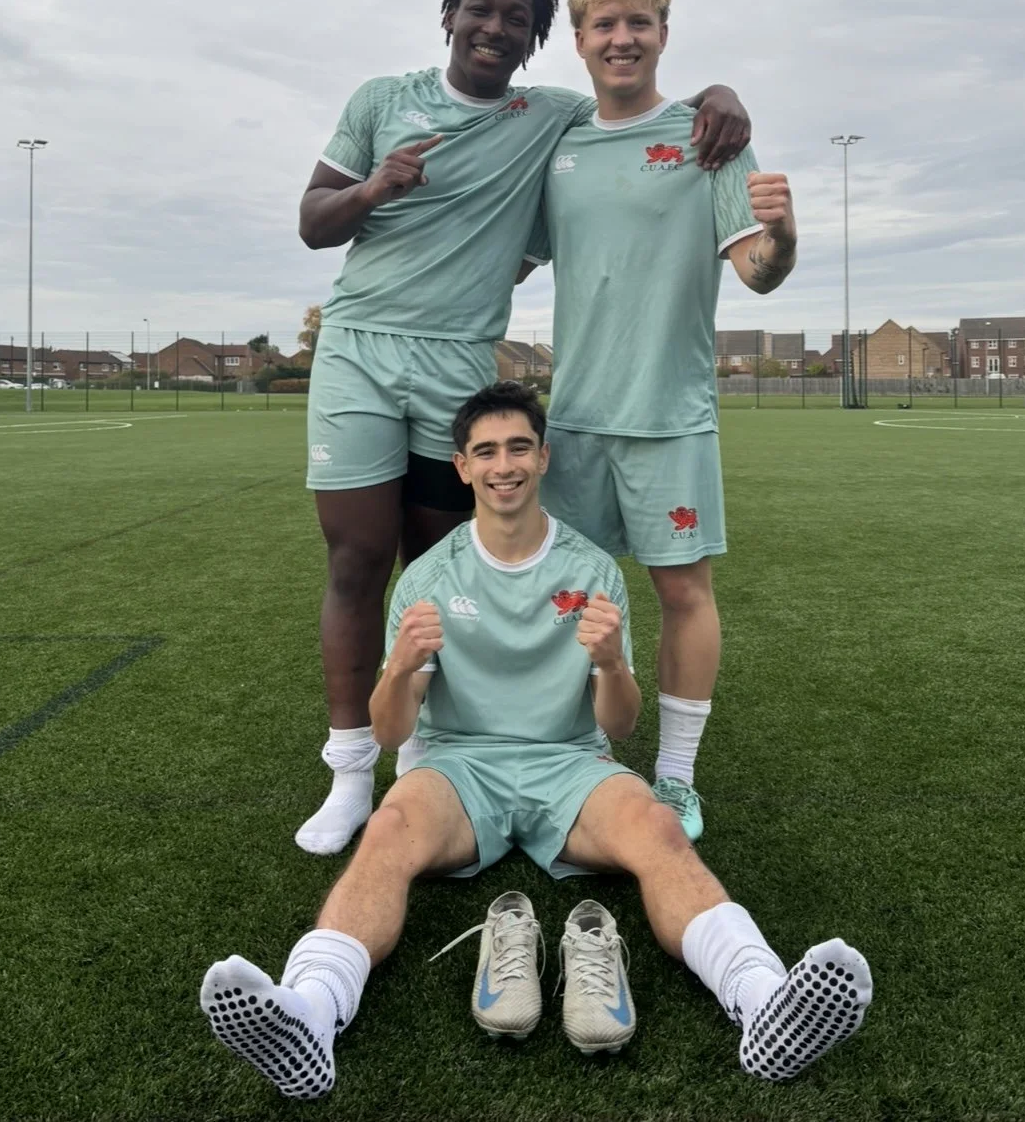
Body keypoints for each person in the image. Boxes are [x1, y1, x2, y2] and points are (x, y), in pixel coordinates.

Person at [200, 383, 872, 1099]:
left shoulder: (591, 570)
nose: (504, 465)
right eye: (486, 451)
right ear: (462, 467)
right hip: (460, 769)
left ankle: (763, 1001)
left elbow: (619, 725)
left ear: (543, 458)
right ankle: (310, 1011)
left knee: (657, 828)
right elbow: (394, 732)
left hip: (570, 764)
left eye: (519, 447)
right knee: (389, 828)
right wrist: (396, 670)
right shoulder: (427, 578)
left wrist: (611, 663)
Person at [293, 0, 752, 854]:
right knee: (356, 559)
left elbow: (633, 90)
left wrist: (719, 94)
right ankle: (349, 773)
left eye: (516, 19)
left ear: (540, 40)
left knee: (438, 567)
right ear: (450, 14)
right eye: (480, 9)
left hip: (460, 364)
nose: (494, 28)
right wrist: (376, 186)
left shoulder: (547, 116)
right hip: (359, 348)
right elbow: (312, 221)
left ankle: (425, 752)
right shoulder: (380, 100)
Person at [525, 0, 798, 841]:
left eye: (637, 23)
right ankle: (581, 752)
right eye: (604, 25)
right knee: (571, 595)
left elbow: (756, 271)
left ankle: (675, 776)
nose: (621, 38)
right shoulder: (556, 143)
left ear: (663, 35)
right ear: (578, 41)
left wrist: (783, 234)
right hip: (573, 418)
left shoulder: (708, 136)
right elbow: (507, 251)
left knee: (683, 592)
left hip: (668, 413)